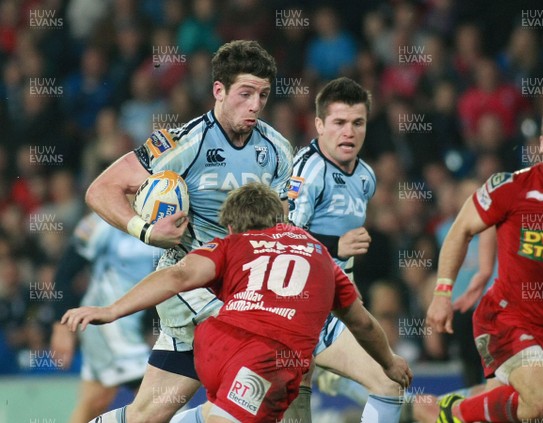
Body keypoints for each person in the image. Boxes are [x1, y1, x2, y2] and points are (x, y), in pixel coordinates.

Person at [61, 183, 413, 423]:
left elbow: (177, 276)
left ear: (230, 226)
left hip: (220, 338)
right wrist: (390, 361)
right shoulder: (320, 254)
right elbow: (364, 322)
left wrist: (110, 310)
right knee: (387, 383)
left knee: (153, 413)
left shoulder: (232, 245)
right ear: (281, 218)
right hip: (268, 349)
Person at [84, 40, 293, 422]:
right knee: (255, 382)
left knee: (146, 416)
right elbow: (101, 189)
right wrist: (145, 230)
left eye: (263, 95)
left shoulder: (277, 149)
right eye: (245, 93)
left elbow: (282, 224)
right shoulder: (185, 142)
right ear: (219, 90)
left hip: (241, 288)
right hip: (193, 287)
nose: (255, 105)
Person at [427, 100, 543, 423]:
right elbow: (462, 228)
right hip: (503, 317)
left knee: (538, 407)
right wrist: (441, 293)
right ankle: (452, 413)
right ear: (540, 145)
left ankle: (450, 412)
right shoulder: (512, 186)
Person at [287, 76, 405, 422]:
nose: (349, 132)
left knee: (387, 385)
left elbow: (340, 257)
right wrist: (336, 245)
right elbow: (285, 237)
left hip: (333, 300)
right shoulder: (308, 171)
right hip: (297, 300)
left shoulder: (366, 176)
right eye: (339, 123)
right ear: (320, 125)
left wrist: (348, 288)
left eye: (357, 123)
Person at [49, 212, 161, 422]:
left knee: (95, 401)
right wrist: (60, 325)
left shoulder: (164, 217)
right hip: (105, 327)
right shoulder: (101, 220)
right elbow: (66, 272)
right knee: (157, 398)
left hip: (133, 325)